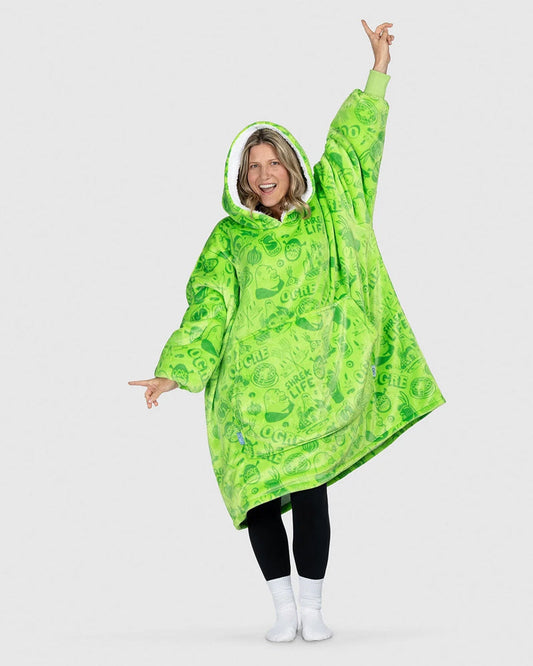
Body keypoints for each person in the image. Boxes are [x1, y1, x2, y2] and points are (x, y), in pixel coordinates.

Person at [129, 19, 446, 643]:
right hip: (249, 394)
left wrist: (378, 71)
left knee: (309, 492)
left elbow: (353, 147)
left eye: (273, 161)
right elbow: (209, 305)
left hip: (314, 388)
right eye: (254, 166)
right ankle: (281, 608)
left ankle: (313, 607)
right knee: (260, 498)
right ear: (242, 177)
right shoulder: (230, 237)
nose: (264, 173)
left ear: (291, 165)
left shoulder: (329, 208)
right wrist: (177, 370)